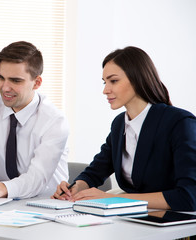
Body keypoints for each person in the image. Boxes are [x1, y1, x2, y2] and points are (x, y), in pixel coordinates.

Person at [52, 46, 196, 211]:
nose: (105, 90)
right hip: (134, 218)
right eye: (105, 82)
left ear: (137, 78)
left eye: (113, 81)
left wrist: (113, 199)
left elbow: (189, 196)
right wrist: (75, 188)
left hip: (173, 223)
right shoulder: (120, 124)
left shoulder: (180, 122)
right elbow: (96, 171)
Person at [0, 41, 69, 199]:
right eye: (1, 78)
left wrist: (0, 188)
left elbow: (36, 178)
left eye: (15, 81)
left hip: (46, 204)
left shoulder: (55, 121)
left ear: (37, 83)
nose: (5, 87)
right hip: (1, 205)